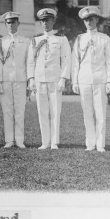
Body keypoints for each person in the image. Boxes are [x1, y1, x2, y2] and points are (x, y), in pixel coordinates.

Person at [71, 6, 110, 152]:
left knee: (100, 114)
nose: (88, 22)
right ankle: (90, 143)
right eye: (86, 20)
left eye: (91, 19)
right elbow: (75, 62)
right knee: (87, 113)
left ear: (96, 19)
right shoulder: (79, 39)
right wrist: (75, 81)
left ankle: (100, 144)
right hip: (84, 80)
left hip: (100, 80)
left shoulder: (104, 39)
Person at [27, 8, 71, 150]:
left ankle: (54, 142)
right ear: (40, 23)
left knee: (55, 111)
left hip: (54, 80)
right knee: (42, 112)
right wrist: (31, 79)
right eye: (43, 21)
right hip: (40, 80)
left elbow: (66, 61)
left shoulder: (61, 39)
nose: (45, 23)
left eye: (48, 20)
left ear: (53, 21)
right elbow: (30, 62)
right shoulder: (35, 41)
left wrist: (63, 79)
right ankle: (45, 141)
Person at [0, 12, 30, 149]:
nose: (11, 25)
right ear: (5, 24)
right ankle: (9, 140)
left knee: (20, 110)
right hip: (6, 80)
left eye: (13, 22)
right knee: (7, 110)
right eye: (8, 22)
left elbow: (28, 61)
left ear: (18, 24)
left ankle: (19, 140)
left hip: (20, 79)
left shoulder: (25, 41)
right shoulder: (1, 41)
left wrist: (29, 80)